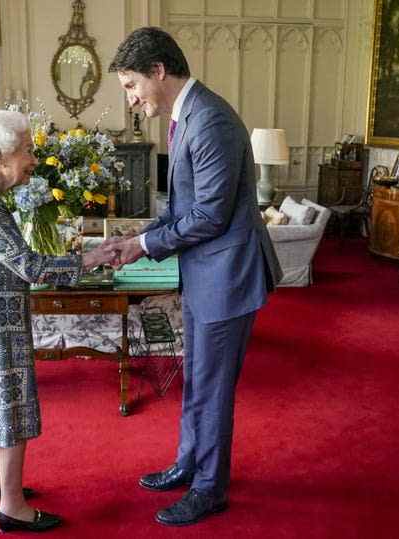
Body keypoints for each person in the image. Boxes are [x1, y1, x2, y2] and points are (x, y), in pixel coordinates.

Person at [106, 27, 283, 527]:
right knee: (197, 381)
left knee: (211, 386)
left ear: (158, 71)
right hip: (207, 273)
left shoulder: (210, 122)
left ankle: (210, 488)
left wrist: (141, 245)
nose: (132, 97)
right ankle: (189, 462)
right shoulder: (187, 116)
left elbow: (208, 216)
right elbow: (182, 206)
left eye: (130, 84)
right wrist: (136, 237)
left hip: (227, 276)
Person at [0, 110, 114, 533]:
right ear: (1, 155)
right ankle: (12, 507)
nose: (34, 158)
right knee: (9, 405)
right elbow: (29, 266)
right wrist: (90, 258)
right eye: (28, 150)